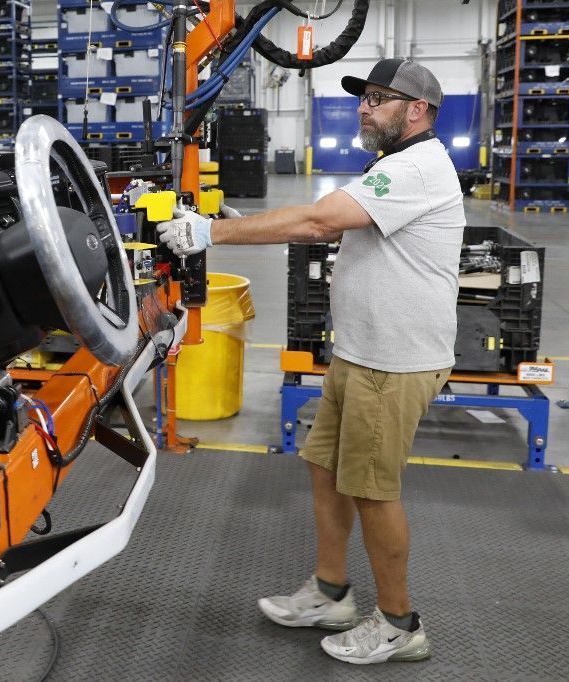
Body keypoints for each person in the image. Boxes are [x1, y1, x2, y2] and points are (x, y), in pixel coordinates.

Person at [157, 58, 465, 664]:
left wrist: (211, 234)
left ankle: (401, 624)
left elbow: (321, 220)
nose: (365, 108)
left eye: (380, 98)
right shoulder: (391, 166)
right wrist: (245, 225)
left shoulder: (418, 167)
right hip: (359, 353)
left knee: (373, 490)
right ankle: (331, 592)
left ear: (419, 111)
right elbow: (333, 228)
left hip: (394, 362)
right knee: (325, 466)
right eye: (364, 97)